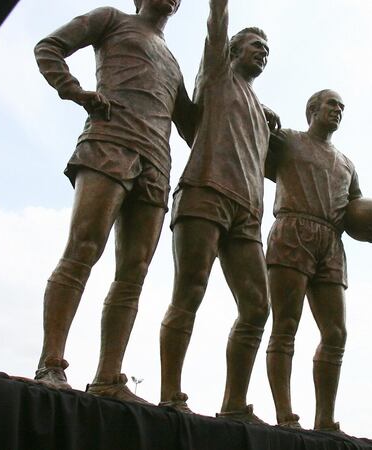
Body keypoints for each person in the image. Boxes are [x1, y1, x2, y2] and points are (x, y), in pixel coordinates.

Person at [32, 0, 195, 403]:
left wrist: (249, 110)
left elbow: (193, 126)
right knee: (84, 246)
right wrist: (75, 91)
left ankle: (108, 376)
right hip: (110, 143)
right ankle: (51, 362)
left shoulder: (173, 62)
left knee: (134, 271)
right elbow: (48, 46)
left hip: (157, 161)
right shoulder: (111, 19)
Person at [158, 0, 277, 423]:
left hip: (247, 213)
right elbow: (217, 22)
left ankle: (233, 404)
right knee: (190, 290)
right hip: (205, 192)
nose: (263, 52)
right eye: (255, 45)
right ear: (232, 50)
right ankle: (170, 391)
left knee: (257, 307)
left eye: (267, 50)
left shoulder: (262, 114)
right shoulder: (217, 72)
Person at [264, 90, 372, 432]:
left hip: (331, 241)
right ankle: (285, 414)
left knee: (336, 333)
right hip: (292, 230)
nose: (338, 111)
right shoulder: (288, 140)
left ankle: (324, 419)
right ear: (312, 109)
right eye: (332, 104)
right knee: (286, 325)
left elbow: (357, 208)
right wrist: (260, 113)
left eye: (342, 107)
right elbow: (249, 141)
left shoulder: (347, 164)